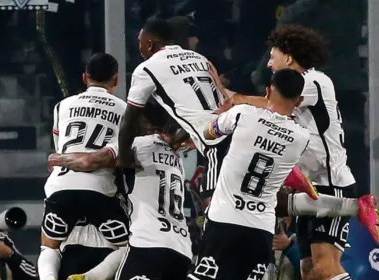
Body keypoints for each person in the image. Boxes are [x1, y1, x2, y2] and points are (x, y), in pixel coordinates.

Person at [211, 24, 378, 280]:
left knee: (325, 268)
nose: (268, 64)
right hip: (310, 186)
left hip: (332, 184)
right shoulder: (296, 90)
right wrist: (227, 96)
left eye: (272, 56)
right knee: (309, 270)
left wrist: (234, 98)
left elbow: (271, 104)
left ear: (288, 58)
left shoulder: (315, 81)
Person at [118, 18, 314, 211]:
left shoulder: (146, 69)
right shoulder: (199, 58)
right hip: (238, 131)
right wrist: (184, 135)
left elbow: (129, 120)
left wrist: (126, 163)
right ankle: (316, 202)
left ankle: (321, 205)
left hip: (216, 140)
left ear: (150, 44)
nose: (139, 48)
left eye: (140, 43)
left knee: (213, 203)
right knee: (250, 198)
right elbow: (209, 104)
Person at [49, 99, 193, 280]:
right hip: (182, 249)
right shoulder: (177, 153)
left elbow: (89, 162)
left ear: (139, 120)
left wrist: (57, 159)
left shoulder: (136, 145)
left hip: (148, 244)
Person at [187, 69, 310, 280]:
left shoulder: (243, 114)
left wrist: (220, 116)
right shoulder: (301, 137)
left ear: (268, 91)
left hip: (224, 220)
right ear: (299, 101)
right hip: (260, 229)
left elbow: (208, 133)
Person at [37, 53, 130, 280]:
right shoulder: (126, 109)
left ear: (84, 77)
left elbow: (62, 151)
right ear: (116, 80)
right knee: (131, 246)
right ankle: (89, 278)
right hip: (99, 189)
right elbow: (124, 159)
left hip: (62, 184)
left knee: (49, 247)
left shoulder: (62, 106)